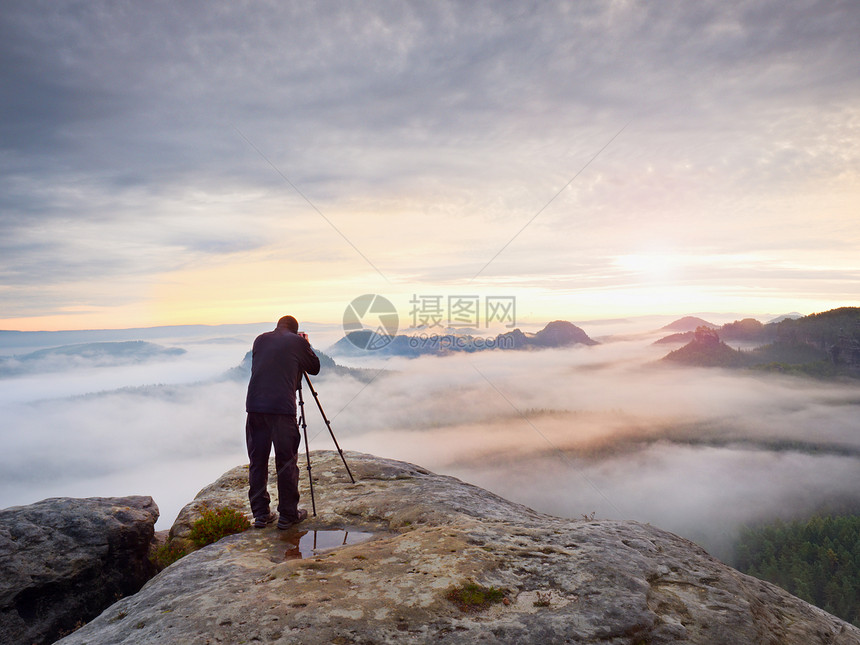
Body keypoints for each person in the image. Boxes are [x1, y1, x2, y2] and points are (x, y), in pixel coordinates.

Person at [245, 315, 320, 529]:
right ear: (295, 331)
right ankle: (288, 515)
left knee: (257, 461)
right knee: (286, 462)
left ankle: (261, 515)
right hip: (281, 409)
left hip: (255, 407)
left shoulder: (260, 339)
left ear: (278, 326)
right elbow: (314, 367)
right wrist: (305, 344)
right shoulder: (297, 342)